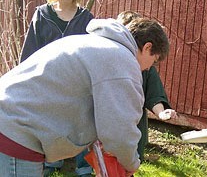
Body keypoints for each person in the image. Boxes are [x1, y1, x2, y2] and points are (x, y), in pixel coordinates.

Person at [0, 17, 170, 177]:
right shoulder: (122, 61)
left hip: (10, 120)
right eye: (154, 61)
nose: (148, 69)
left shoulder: (94, 43)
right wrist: (132, 164)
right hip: (15, 133)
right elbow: (119, 133)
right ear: (147, 47)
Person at [19, 0, 94, 176]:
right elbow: (30, 49)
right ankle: (52, 162)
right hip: (47, 79)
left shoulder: (85, 18)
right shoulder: (42, 14)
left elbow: (92, 51)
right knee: (50, 121)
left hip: (76, 81)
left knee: (81, 121)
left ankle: (83, 166)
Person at [117, 11, 177, 162]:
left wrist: (162, 113)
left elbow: (154, 94)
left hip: (132, 131)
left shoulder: (147, 68)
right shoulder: (113, 61)